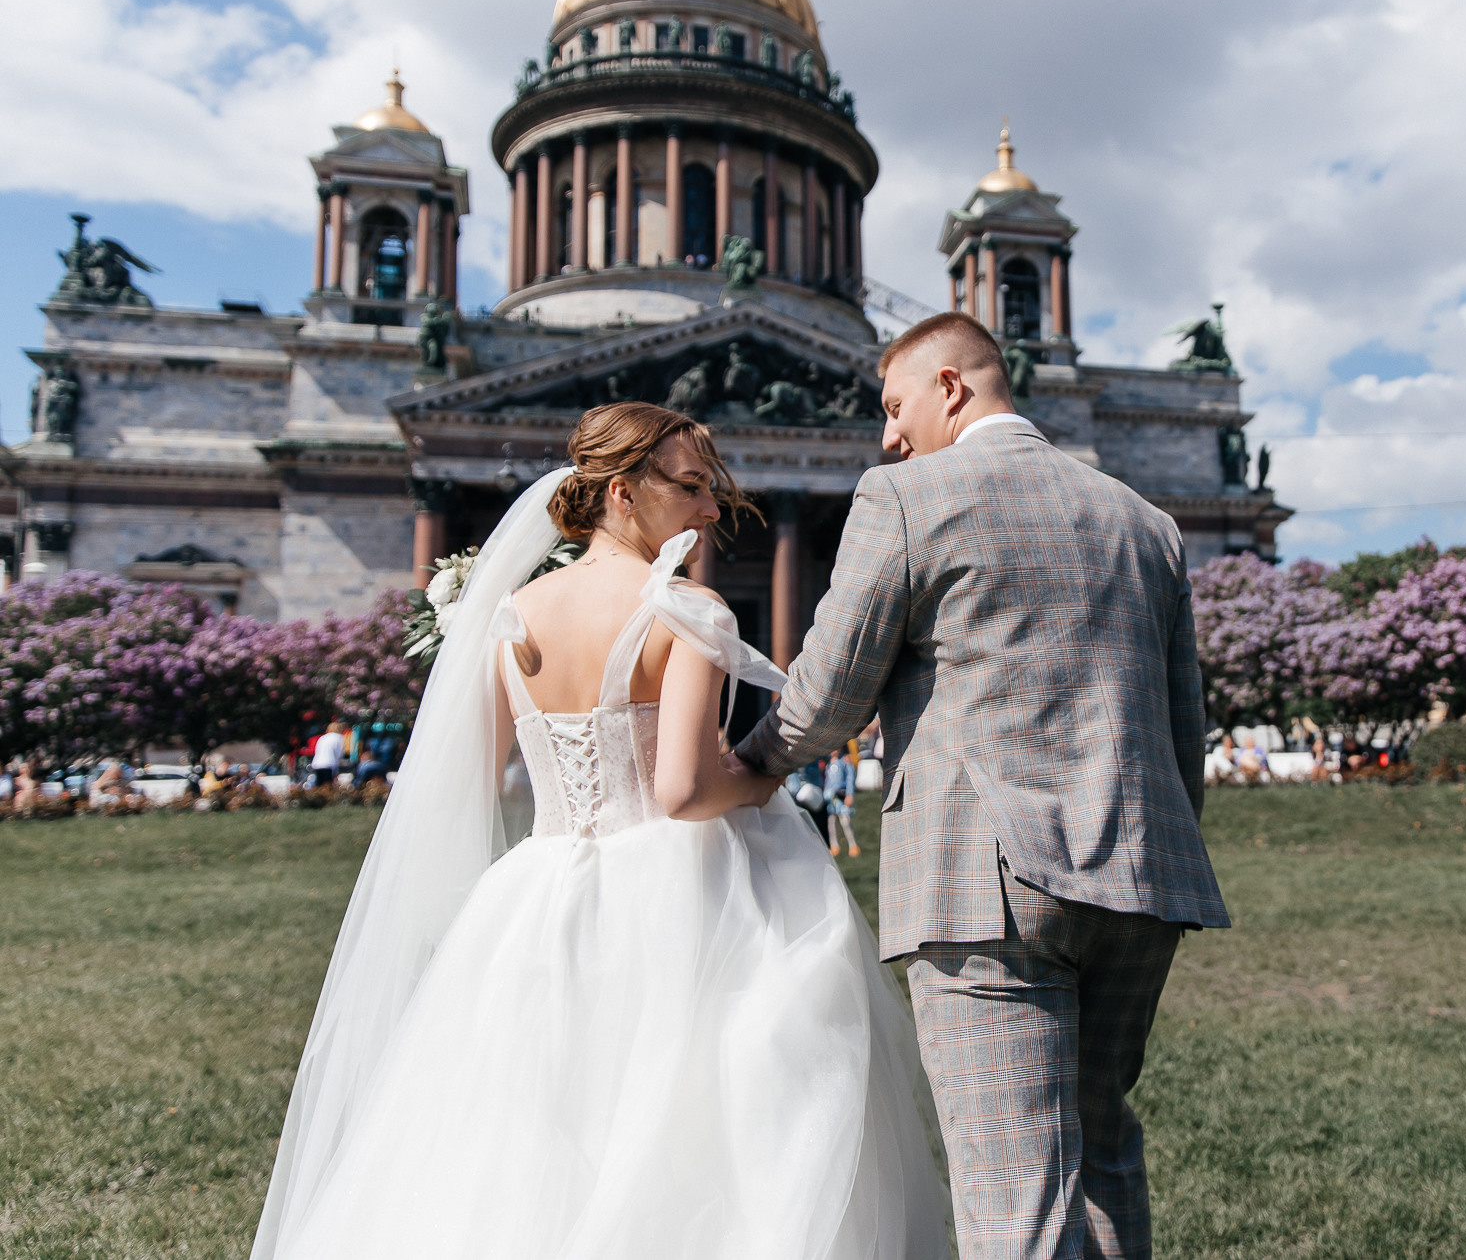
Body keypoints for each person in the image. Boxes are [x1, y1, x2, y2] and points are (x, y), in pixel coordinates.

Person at [252, 404, 950, 1260]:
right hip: (683, 894)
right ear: (622, 492)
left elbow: (480, 776)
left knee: (529, 1132)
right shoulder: (688, 608)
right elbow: (686, 789)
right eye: (691, 488)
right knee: (706, 1128)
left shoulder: (507, 615)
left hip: (538, 890)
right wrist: (769, 771)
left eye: (713, 490)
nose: (709, 512)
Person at [729, 312, 1228, 1260]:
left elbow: (830, 691)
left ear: (951, 386)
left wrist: (748, 759)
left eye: (894, 404)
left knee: (1015, 1191)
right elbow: (1181, 727)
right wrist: (1159, 852)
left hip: (983, 885)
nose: (887, 433)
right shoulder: (1146, 522)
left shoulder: (909, 496)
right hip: (1143, 879)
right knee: (1104, 1155)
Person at [824, 747, 860, 856]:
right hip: (831, 799)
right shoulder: (828, 765)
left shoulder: (844, 762)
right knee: (832, 823)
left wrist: (849, 794)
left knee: (846, 821)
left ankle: (853, 845)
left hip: (841, 796)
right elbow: (827, 780)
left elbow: (850, 778)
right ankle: (834, 845)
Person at [309, 722, 345, 789]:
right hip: (329, 764)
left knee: (319, 786)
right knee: (327, 786)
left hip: (317, 764)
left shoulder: (322, 738)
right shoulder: (339, 737)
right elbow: (340, 754)